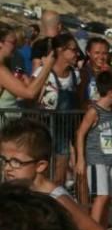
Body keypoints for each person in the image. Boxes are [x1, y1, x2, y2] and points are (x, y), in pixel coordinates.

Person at [74, 70, 112, 230]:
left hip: (111, 159)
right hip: (96, 159)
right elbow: (80, 133)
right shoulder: (93, 111)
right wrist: (80, 159)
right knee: (101, 196)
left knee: (108, 197)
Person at [33, 33, 80, 189]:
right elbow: (31, 97)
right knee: (41, 173)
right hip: (44, 128)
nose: (77, 53)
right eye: (73, 50)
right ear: (60, 50)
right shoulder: (43, 72)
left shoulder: (75, 75)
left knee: (59, 175)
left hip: (63, 130)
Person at [0, 24, 55, 113]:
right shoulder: (1, 70)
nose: (16, 46)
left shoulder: (6, 67)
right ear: (0, 43)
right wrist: (47, 66)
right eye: (13, 42)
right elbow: (29, 93)